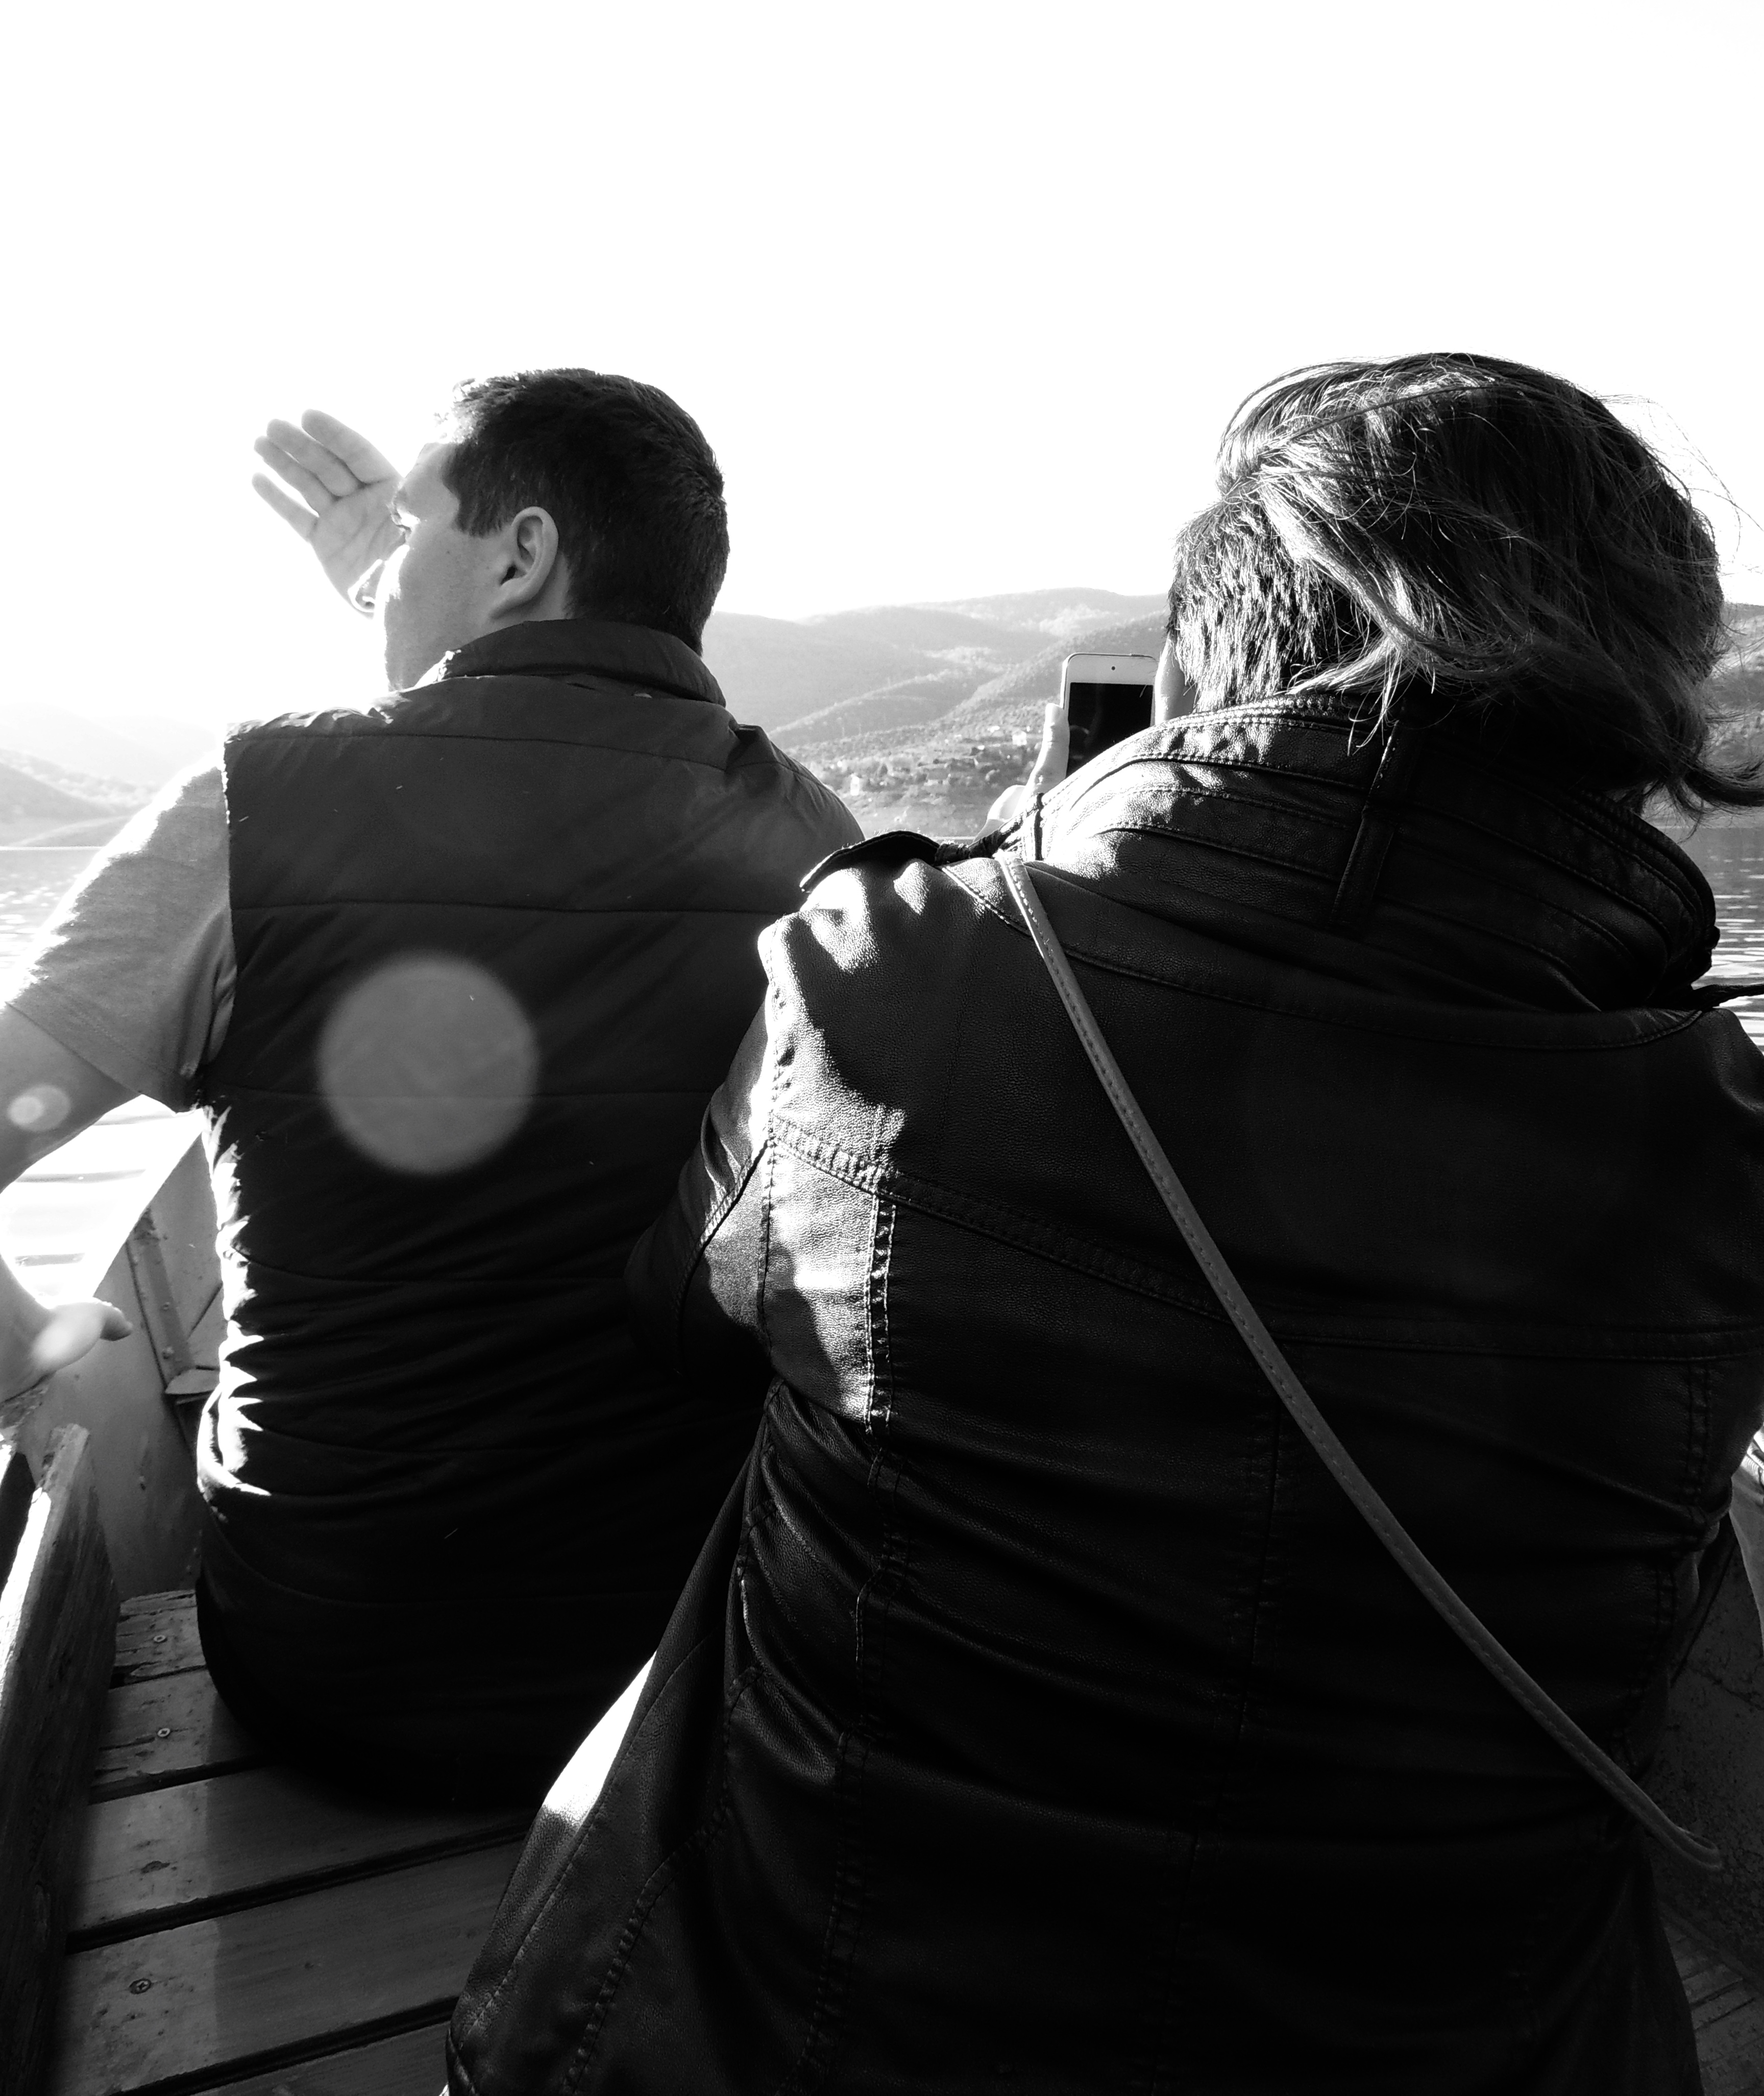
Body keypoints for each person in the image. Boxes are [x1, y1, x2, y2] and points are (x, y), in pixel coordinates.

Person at [448, 355, 1764, 2092]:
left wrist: (1024, 856)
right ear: (1638, 724)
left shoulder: (893, 973)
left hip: (812, 2033)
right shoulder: (1722, 1140)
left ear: (1195, 678)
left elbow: (678, 1306)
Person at [0, 369, 852, 1799]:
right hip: (678, 1662)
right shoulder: (816, 844)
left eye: (406, 534)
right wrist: (404, 600)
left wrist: (26, 1350)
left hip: (335, 1664)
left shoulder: (252, 806)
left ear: (521, 555)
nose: (381, 572)